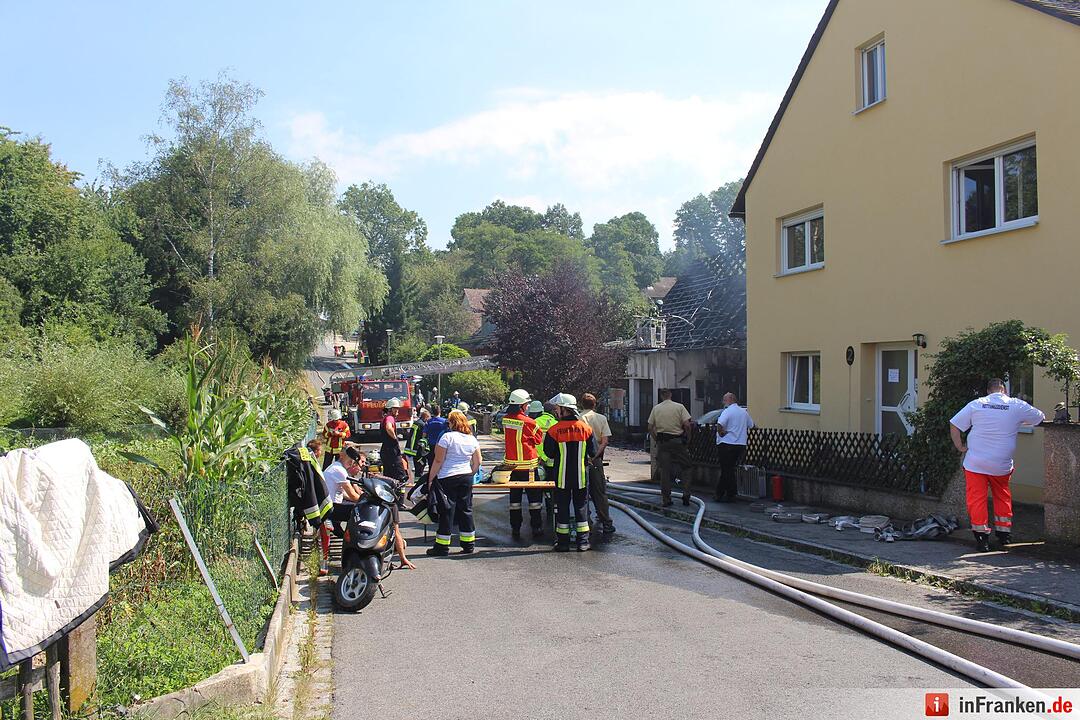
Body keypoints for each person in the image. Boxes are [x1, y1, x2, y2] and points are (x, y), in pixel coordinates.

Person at [950, 378, 1045, 552]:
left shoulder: (977, 404)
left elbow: (955, 424)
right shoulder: (1016, 404)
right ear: (1004, 390)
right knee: (1002, 495)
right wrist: (1018, 421)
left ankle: (982, 538)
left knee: (976, 499)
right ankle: (1004, 534)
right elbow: (1040, 418)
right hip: (1001, 463)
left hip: (975, 463)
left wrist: (960, 447)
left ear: (988, 391)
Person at [544, 393, 598, 552]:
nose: (555, 411)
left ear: (564, 409)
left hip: (561, 477)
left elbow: (549, 453)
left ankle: (563, 543)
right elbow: (593, 451)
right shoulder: (586, 429)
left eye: (557, 409)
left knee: (562, 508)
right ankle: (583, 542)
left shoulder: (554, 430)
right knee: (581, 507)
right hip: (581, 477)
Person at [426, 409, 482, 556]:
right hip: (466, 476)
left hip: (447, 477)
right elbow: (478, 461)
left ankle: (442, 546)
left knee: (447, 511)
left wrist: (430, 479)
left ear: (452, 422)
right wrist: (470, 473)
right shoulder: (471, 439)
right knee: (466, 509)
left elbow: (438, 460)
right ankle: (469, 544)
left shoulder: (447, 437)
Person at [502, 389, 544, 540]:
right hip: (529, 467)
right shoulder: (530, 422)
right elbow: (538, 440)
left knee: (515, 501)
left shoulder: (505, 420)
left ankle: (515, 528)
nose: (527, 407)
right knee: (534, 501)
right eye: (526, 404)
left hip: (512, 468)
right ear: (521, 406)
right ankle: (536, 527)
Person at [647, 389, 693, 507]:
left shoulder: (656, 409)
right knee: (687, 467)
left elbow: (650, 427)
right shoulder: (679, 407)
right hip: (677, 441)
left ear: (661, 396)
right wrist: (688, 438)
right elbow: (687, 425)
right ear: (670, 395)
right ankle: (686, 494)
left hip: (663, 443)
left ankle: (666, 499)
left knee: (665, 471)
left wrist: (656, 439)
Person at [579, 393, 615, 535]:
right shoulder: (601, 418)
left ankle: (585, 521)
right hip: (596, 460)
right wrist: (594, 455)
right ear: (594, 405)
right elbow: (605, 441)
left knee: (582, 492)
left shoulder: (578, 418)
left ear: (581, 404)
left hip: (580, 459)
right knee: (599, 492)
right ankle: (606, 523)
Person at [714, 393, 754, 503]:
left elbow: (720, 424)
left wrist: (721, 433)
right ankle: (721, 493)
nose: (723, 402)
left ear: (731, 399)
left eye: (724, 400)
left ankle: (730, 493)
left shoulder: (727, 411)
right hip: (740, 445)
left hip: (726, 443)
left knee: (727, 470)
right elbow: (752, 425)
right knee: (729, 469)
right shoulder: (744, 412)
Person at [380, 398, 411, 484]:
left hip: (387, 451)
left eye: (398, 408)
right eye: (395, 408)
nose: (397, 410)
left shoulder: (386, 417)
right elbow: (388, 427)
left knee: (389, 478)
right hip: (391, 453)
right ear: (390, 409)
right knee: (401, 476)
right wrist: (394, 438)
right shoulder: (390, 418)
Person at [404, 408, 431, 478]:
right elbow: (424, 437)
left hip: (412, 448)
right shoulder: (423, 425)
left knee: (418, 465)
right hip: (418, 449)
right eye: (428, 418)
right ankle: (418, 480)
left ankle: (417, 479)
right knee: (421, 464)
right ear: (426, 417)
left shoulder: (416, 423)